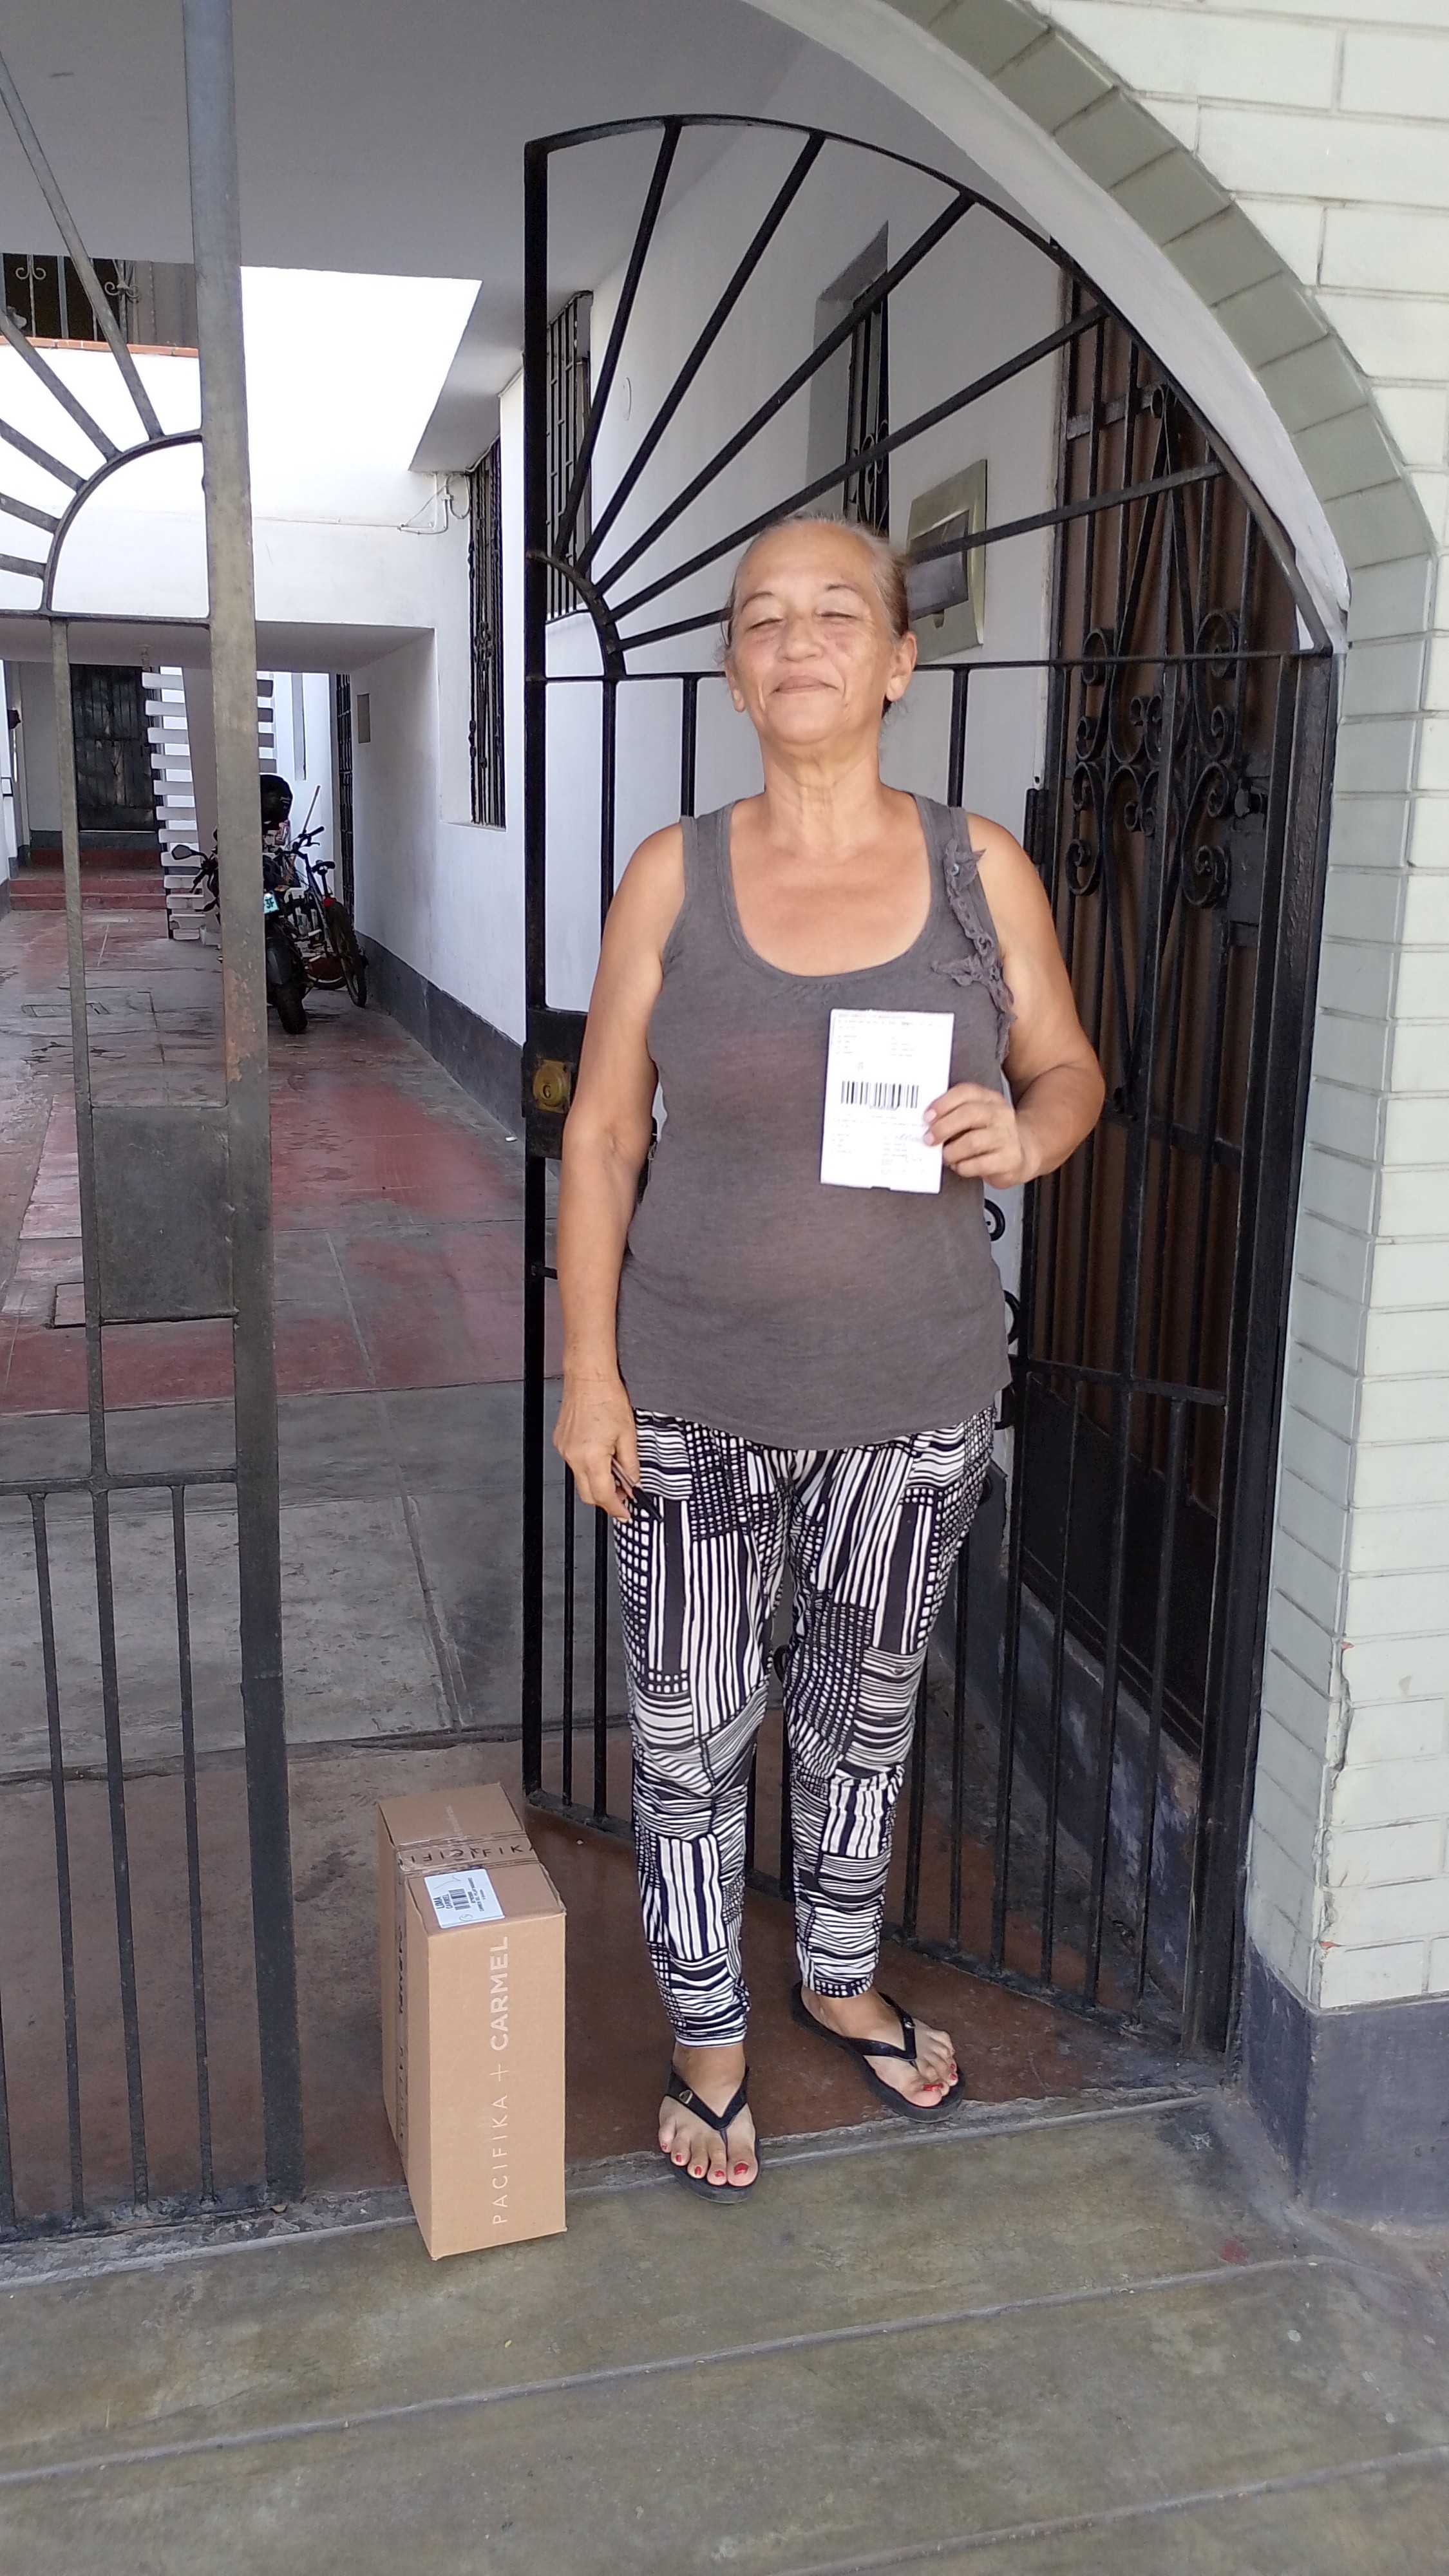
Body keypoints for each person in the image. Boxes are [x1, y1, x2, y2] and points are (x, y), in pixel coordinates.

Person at [554, 513, 1103, 2199]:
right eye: (762, 620)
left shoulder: (978, 871)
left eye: (836, 613)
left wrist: (1029, 1131)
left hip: (910, 1398)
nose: (796, 642)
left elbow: (1068, 1065)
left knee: (862, 1719)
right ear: (735, 672)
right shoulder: (674, 875)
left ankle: (839, 1972)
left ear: (898, 660)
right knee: (688, 1739)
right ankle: (710, 2034)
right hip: (694, 1399)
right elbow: (602, 1136)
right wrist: (589, 1373)